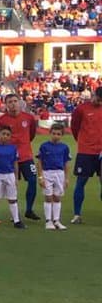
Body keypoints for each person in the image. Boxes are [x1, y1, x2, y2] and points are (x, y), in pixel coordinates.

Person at [0, 93, 39, 221]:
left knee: (32, 180)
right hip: (9, 158)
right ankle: (14, 214)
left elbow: (31, 134)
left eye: (15, 101)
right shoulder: (1, 121)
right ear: (6, 104)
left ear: (19, 102)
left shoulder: (28, 118)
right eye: (10, 102)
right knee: (11, 185)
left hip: (26, 156)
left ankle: (29, 210)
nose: (13, 104)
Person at [69, 85, 102, 224]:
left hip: (101, 152)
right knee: (81, 182)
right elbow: (74, 127)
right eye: (98, 99)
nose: (99, 102)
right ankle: (77, 214)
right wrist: (83, 142)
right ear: (93, 94)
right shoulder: (81, 109)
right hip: (86, 151)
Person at [0, 125, 24, 229]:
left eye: (8, 134)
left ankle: (16, 221)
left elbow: (15, 163)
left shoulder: (13, 148)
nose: (5, 136)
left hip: (10, 174)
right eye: (3, 134)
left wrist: (16, 177)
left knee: (12, 198)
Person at [36, 122, 70, 230]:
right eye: (54, 133)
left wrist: (66, 178)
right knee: (48, 197)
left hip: (59, 173)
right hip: (47, 173)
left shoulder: (64, 147)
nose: (56, 136)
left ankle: (56, 220)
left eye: (58, 134)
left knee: (57, 197)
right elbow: (39, 162)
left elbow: (66, 163)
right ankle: (48, 221)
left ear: (62, 135)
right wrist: (40, 177)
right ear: (50, 133)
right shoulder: (44, 146)